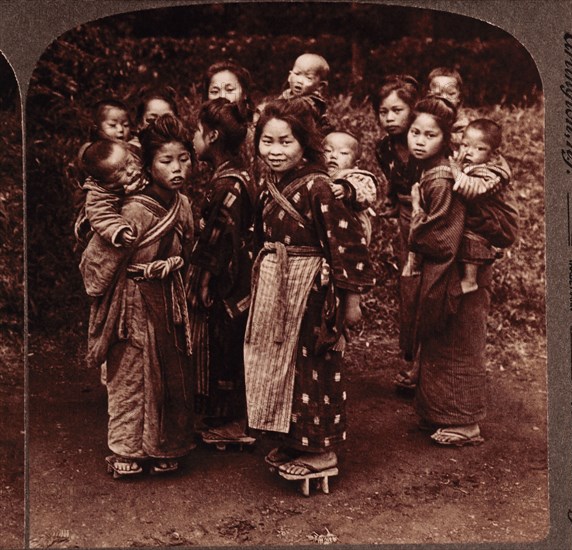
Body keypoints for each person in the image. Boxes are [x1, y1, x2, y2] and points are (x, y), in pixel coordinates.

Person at [244, 98, 374, 479]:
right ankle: (292, 439)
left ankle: (322, 453)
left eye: (285, 142)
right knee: (279, 364)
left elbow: (347, 245)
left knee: (312, 365)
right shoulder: (269, 184)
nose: (275, 150)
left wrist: (351, 302)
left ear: (304, 143)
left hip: (312, 290)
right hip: (275, 282)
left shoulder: (321, 188)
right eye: (267, 142)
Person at [80, 114, 197, 476]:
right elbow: (94, 265)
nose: (177, 168)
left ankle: (165, 446)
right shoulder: (131, 210)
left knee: (170, 373)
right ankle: (127, 450)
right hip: (132, 302)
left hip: (169, 297)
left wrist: (176, 265)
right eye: (166, 161)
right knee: (130, 374)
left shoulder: (184, 204)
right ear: (147, 164)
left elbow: (190, 247)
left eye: (184, 159)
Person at [406, 97, 512, 446]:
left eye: (430, 134)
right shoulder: (439, 169)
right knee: (440, 340)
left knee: (460, 338)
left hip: (460, 265)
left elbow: (441, 232)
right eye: (415, 132)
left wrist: (418, 215)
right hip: (450, 264)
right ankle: (439, 413)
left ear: (444, 138)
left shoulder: (449, 175)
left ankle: (465, 422)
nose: (419, 140)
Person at [189, 98, 256, 444]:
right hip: (238, 278)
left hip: (228, 282)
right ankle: (226, 417)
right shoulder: (239, 174)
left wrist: (203, 281)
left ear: (212, 136)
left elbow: (217, 239)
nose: (194, 139)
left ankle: (233, 424)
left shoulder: (226, 185)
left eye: (197, 133)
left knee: (225, 347)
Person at [449, 118, 518, 293]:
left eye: (479, 148)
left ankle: (470, 280)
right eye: (465, 145)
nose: (469, 152)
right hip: (484, 212)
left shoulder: (492, 173)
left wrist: (456, 171)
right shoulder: (474, 161)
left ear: (493, 154)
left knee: (472, 233)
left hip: (499, 220)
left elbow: (474, 190)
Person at [373, 74, 421, 269]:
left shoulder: (426, 142)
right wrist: (392, 200)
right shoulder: (384, 148)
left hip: (436, 211)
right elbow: (392, 178)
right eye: (383, 112)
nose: (389, 118)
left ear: (413, 110)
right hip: (406, 210)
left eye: (397, 110)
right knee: (408, 255)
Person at [73, 140, 143, 252]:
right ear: (103, 182)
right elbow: (102, 216)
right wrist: (119, 231)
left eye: (129, 162)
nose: (130, 170)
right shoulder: (99, 195)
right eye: (120, 172)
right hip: (105, 227)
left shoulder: (133, 160)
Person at [323, 131, 377, 245]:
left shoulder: (355, 176)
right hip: (325, 227)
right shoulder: (319, 174)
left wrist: (346, 190)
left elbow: (366, 192)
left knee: (350, 254)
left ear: (355, 163)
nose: (333, 155)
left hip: (351, 230)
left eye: (343, 153)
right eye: (328, 151)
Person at [279, 53, 332, 133]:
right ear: (289, 77)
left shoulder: (311, 102)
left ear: (320, 86)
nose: (299, 81)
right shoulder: (286, 94)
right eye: (297, 74)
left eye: (308, 78)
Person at [426, 67, 469, 149]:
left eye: (450, 94)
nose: (444, 98)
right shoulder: (423, 114)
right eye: (438, 94)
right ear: (429, 95)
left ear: (459, 97)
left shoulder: (460, 120)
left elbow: (465, 139)